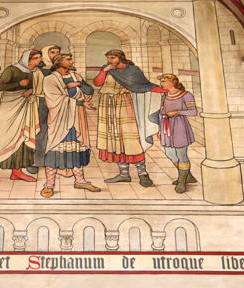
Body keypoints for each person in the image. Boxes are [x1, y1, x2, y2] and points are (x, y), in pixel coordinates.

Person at [94, 49, 166, 187]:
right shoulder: (107, 69)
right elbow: (97, 83)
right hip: (107, 106)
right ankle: (124, 174)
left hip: (124, 104)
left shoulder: (132, 70)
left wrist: (164, 91)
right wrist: (104, 71)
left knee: (130, 139)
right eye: (108, 58)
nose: (110, 60)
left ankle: (143, 174)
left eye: (113, 58)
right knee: (115, 139)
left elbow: (145, 86)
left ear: (120, 58)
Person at [0, 49, 42, 187]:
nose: (38, 61)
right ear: (28, 59)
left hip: (26, 106)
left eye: (39, 58)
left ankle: (17, 172)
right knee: (2, 139)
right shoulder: (12, 70)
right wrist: (18, 85)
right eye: (35, 58)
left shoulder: (35, 72)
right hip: (10, 106)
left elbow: (35, 87)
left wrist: (30, 91)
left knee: (22, 138)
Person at [41, 54, 100, 198]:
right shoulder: (50, 79)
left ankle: (80, 181)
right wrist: (79, 101)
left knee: (78, 147)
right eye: (68, 60)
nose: (71, 62)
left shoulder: (75, 76)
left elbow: (89, 90)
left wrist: (78, 84)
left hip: (77, 118)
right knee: (55, 148)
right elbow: (55, 100)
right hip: (59, 119)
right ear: (59, 63)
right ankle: (49, 185)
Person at [157, 73, 198, 193]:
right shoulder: (165, 95)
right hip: (167, 127)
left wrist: (177, 112)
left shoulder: (186, 95)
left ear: (173, 82)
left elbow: (193, 111)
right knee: (170, 153)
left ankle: (181, 182)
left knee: (181, 155)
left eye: (164, 81)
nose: (161, 84)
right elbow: (162, 112)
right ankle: (186, 175)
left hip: (180, 127)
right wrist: (160, 129)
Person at [28, 44, 62, 175]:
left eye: (58, 52)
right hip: (42, 102)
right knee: (40, 131)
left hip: (57, 102)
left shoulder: (61, 68)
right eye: (52, 52)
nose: (55, 55)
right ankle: (36, 161)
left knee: (57, 129)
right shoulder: (38, 69)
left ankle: (54, 160)